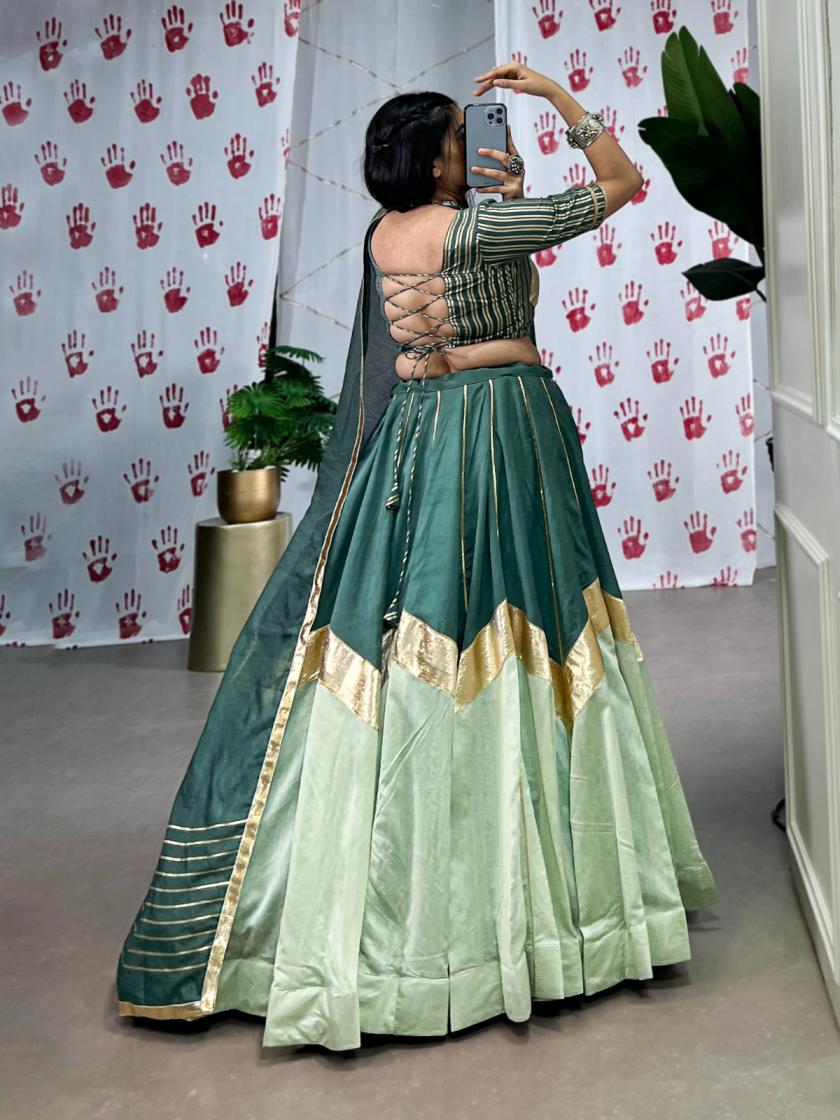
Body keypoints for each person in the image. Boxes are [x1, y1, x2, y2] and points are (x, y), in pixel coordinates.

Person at [116, 59, 720, 1052]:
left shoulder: (383, 234)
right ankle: (531, 899)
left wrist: (503, 194)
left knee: (412, 632)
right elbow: (620, 185)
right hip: (502, 431)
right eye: (455, 142)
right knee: (526, 630)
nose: (464, 151)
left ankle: (388, 888)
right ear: (437, 162)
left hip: (415, 436)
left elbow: (458, 300)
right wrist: (560, 101)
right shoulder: (472, 229)